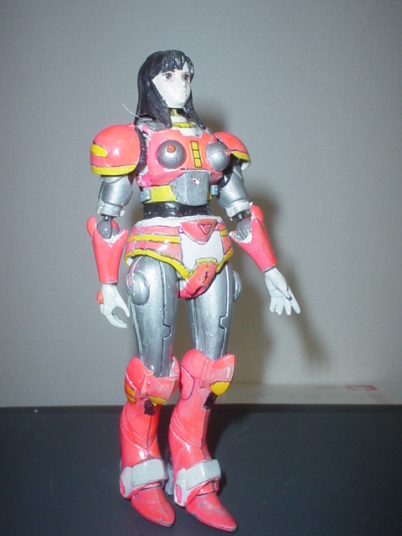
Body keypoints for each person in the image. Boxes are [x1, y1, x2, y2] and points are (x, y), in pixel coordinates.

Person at [87, 50, 300, 532]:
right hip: (157, 248)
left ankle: (192, 470)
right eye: (169, 74)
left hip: (211, 249)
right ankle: (141, 467)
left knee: (211, 373)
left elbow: (242, 213)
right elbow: (107, 220)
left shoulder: (215, 143)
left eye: (186, 74)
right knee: (155, 375)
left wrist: (271, 270)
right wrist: (107, 284)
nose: (181, 81)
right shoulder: (134, 139)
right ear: (151, 81)